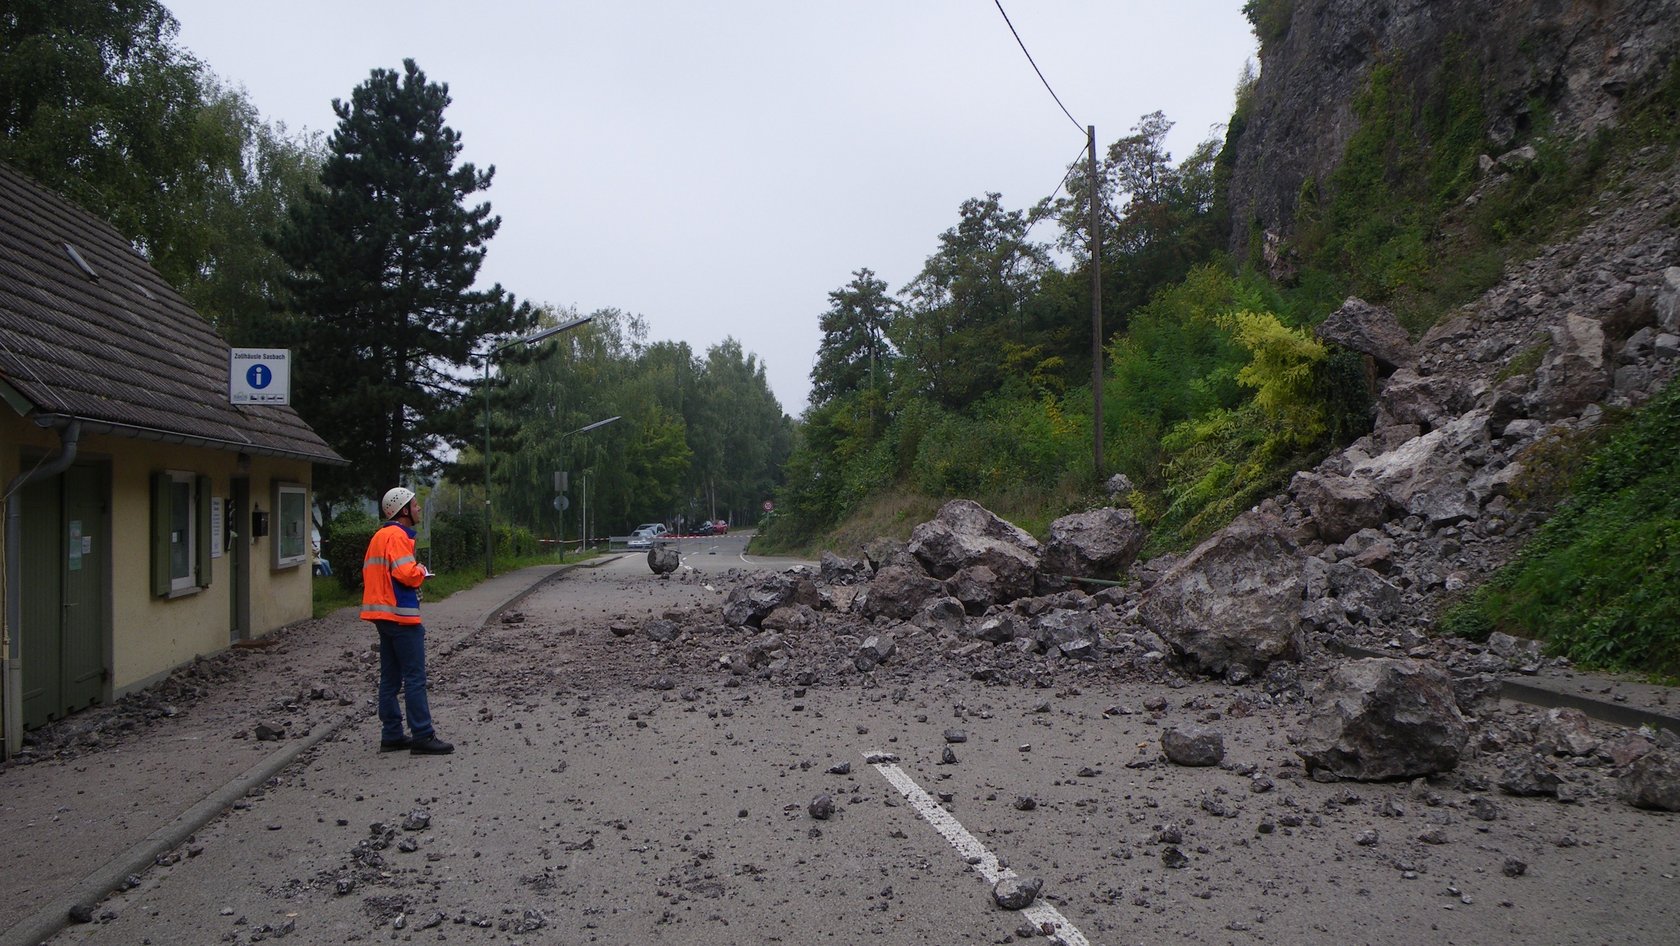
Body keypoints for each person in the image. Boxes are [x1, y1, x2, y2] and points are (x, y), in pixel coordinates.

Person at [361, 487, 453, 755]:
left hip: (382, 615)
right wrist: (422, 571)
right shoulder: (398, 536)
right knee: (415, 677)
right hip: (401, 615)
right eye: (415, 505)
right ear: (403, 511)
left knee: (390, 677)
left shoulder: (379, 536)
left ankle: (391, 734)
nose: (418, 509)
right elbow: (405, 573)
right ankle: (422, 734)